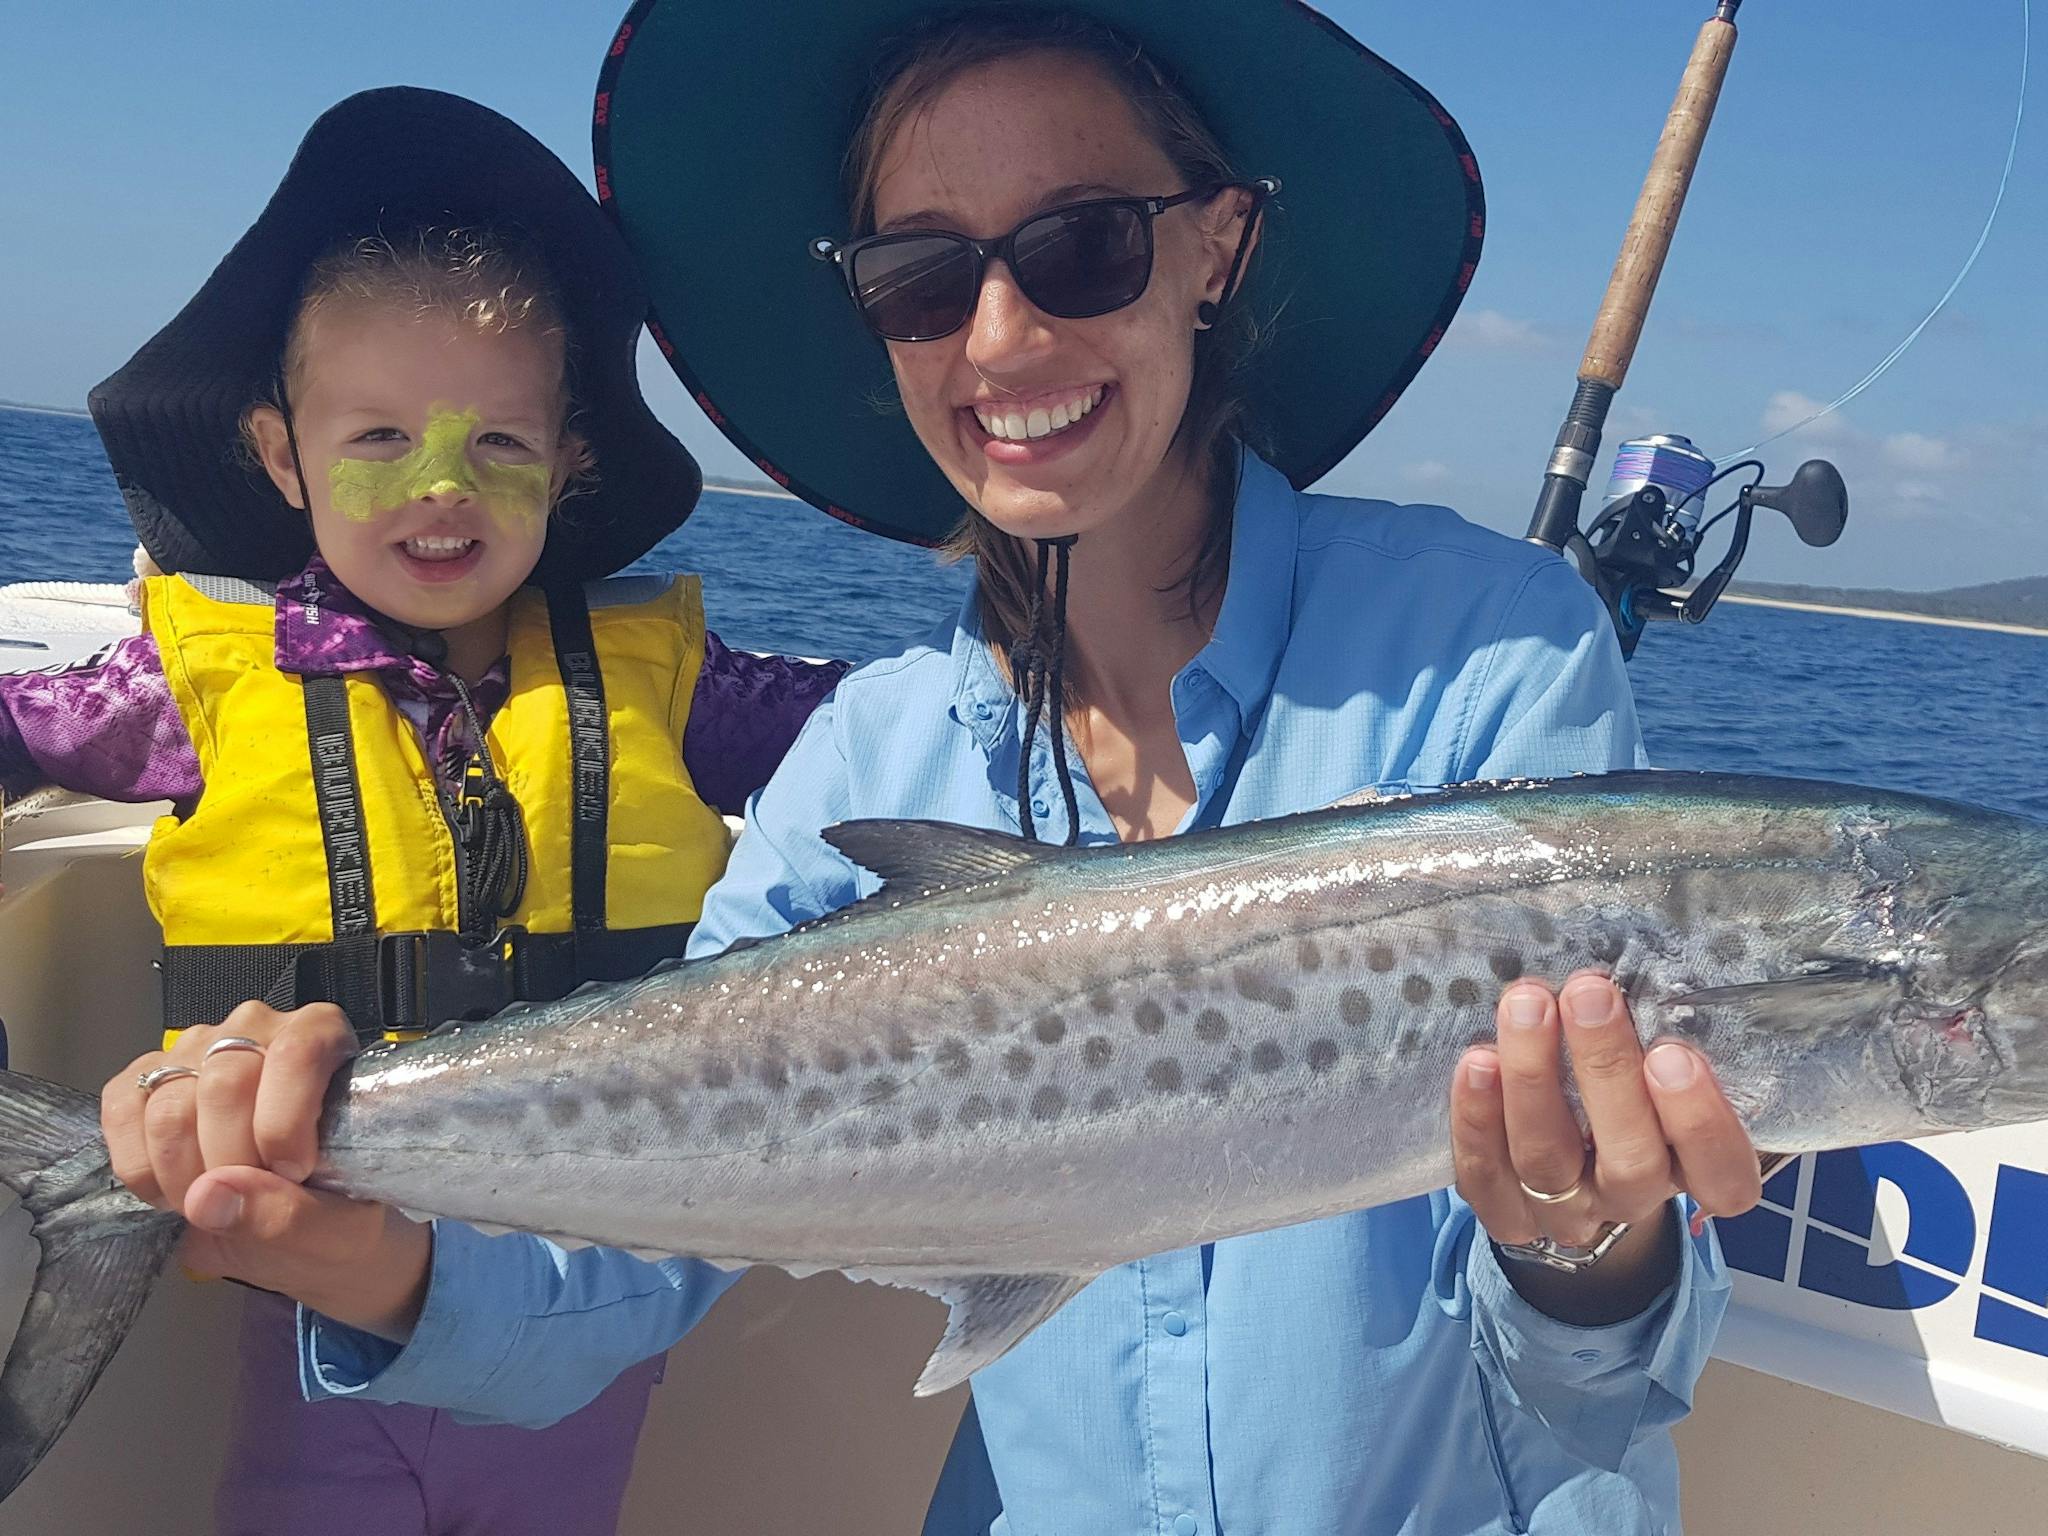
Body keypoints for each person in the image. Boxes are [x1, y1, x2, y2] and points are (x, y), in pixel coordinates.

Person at [103, 9, 1768, 1533]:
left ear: (1217, 243)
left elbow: (1597, 1381)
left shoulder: (1487, 655)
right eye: (919, 274)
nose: (998, 333)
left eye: (1081, 246)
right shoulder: (872, 756)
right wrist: (344, 1235)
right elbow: (618, 1267)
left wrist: (1591, 1245)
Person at [6, 88, 843, 1535]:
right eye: (381, 436)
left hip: (590, 1273)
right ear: (281, 456)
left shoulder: (671, 685)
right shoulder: (199, 685)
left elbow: (893, 735)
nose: (442, 489)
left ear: (569, 462)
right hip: (306, 1269)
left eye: (500, 448)